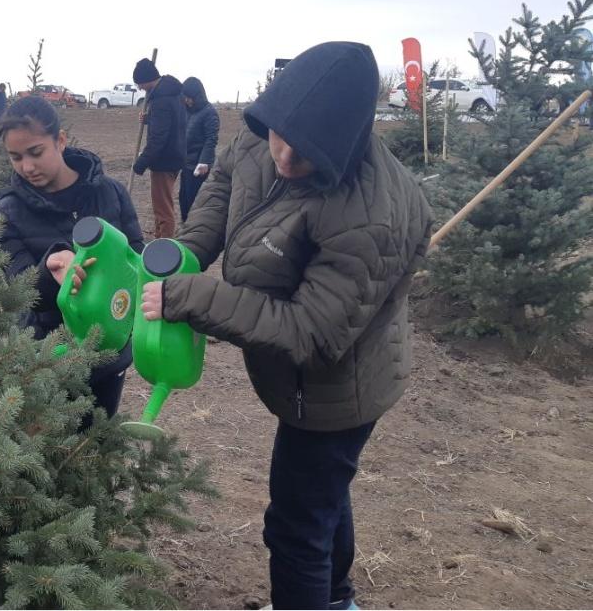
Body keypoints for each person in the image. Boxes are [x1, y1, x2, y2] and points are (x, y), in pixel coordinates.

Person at [139, 42, 433, 610]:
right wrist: (191, 250)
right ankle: (338, 598)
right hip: (302, 381)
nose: (284, 157)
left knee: (296, 526)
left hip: (337, 389)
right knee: (324, 499)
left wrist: (197, 297)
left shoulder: (374, 215)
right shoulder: (266, 131)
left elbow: (311, 333)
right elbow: (226, 179)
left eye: (306, 154)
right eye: (278, 136)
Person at [0, 95, 143, 424]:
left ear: (60, 140)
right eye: (15, 157)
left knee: (94, 444)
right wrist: (47, 270)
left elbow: (135, 253)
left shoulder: (110, 193)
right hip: (46, 359)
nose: (27, 167)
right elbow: (19, 288)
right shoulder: (6, 213)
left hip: (109, 355)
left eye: (35, 152)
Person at [131, 58, 186, 239]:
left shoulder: (161, 100)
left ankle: (164, 247)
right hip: (173, 156)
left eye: (139, 84)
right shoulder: (171, 93)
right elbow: (169, 123)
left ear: (147, 79)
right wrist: (150, 118)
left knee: (163, 208)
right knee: (161, 205)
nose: (139, 88)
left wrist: (141, 163)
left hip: (164, 160)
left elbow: (158, 139)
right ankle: (159, 238)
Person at [178, 76, 220, 223]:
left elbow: (211, 139)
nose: (187, 101)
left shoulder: (209, 113)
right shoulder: (188, 111)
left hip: (198, 168)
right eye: (186, 98)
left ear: (198, 95)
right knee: (183, 200)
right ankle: (185, 226)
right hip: (186, 164)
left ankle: (194, 229)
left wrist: (204, 162)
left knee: (194, 204)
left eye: (190, 98)